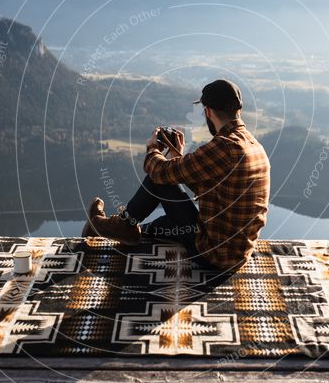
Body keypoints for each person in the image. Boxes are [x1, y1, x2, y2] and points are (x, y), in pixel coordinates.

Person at [82, 79, 271, 271]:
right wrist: (176, 157)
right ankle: (123, 229)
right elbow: (212, 188)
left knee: (160, 180)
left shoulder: (225, 146)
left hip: (213, 254)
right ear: (237, 110)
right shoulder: (254, 146)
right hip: (237, 252)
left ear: (208, 111)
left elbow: (158, 172)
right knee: (158, 226)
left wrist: (153, 147)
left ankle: (122, 225)